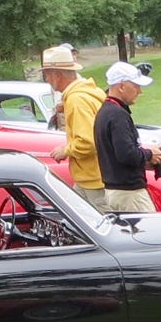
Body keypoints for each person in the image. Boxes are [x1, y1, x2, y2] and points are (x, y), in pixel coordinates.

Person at [94, 62, 161, 213]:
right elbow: (126, 154)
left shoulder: (106, 111)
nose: (140, 91)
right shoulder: (117, 114)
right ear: (121, 86)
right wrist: (150, 154)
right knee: (149, 234)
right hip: (129, 194)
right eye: (136, 86)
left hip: (116, 191)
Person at [44, 45, 107, 206]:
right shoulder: (86, 93)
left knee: (100, 227)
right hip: (92, 177)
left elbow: (88, 142)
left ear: (57, 75)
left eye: (47, 74)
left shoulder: (76, 100)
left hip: (94, 181)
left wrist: (65, 150)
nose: (46, 79)